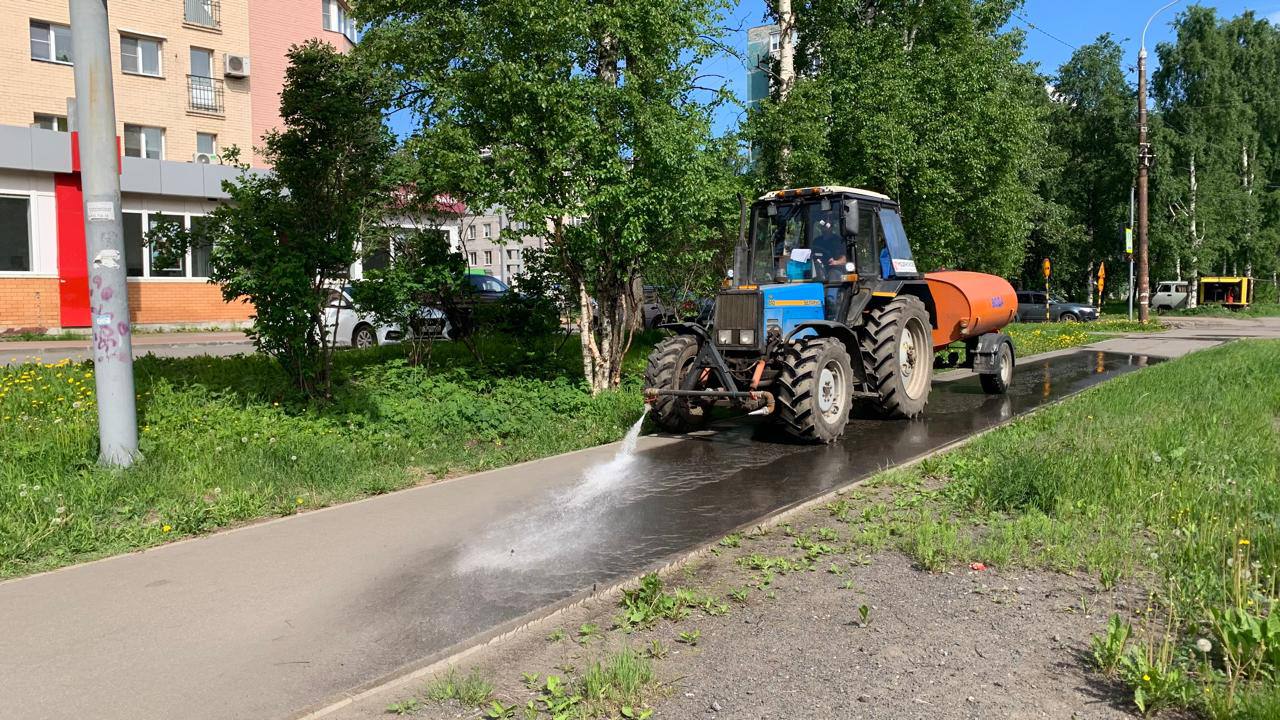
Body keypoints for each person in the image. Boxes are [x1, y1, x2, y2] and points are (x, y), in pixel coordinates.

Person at [811, 216, 847, 282]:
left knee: (833, 274)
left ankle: (830, 292)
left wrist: (835, 262)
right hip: (818, 269)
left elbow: (844, 259)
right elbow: (811, 253)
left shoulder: (838, 241)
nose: (825, 228)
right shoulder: (816, 241)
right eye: (823, 226)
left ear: (831, 227)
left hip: (835, 269)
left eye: (827, 226)